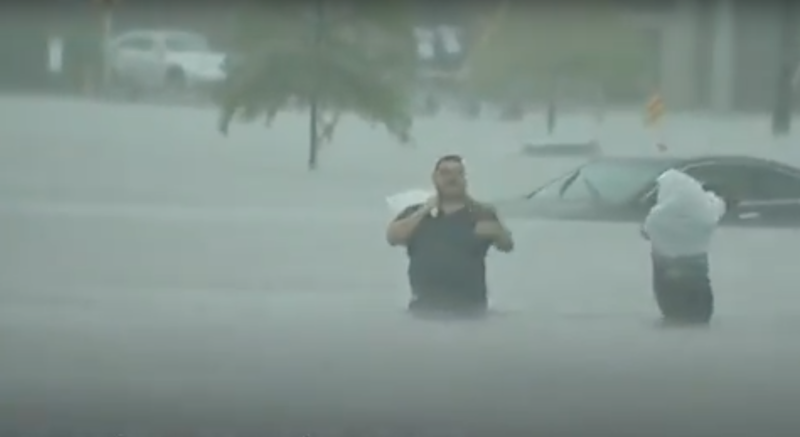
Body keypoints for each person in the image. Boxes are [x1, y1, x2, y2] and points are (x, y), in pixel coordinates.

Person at [385, 155, 514, 318]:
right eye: (445, 173)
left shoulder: (481, 213)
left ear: (465, 179)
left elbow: (507, 245)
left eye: (458, 173)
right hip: (424, 307)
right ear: (434, 178)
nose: (452, 178)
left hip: (471, 309)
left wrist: (497, 232)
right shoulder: (417, 213)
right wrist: (424, 210)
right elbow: (392, 237)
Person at [641, 170, 728, 326]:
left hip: (666, 267)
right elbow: (717, 209)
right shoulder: (704, 208)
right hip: (697, 266)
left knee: (673, 314)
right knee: (700, 315)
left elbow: (648, 229)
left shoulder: (662, 212)